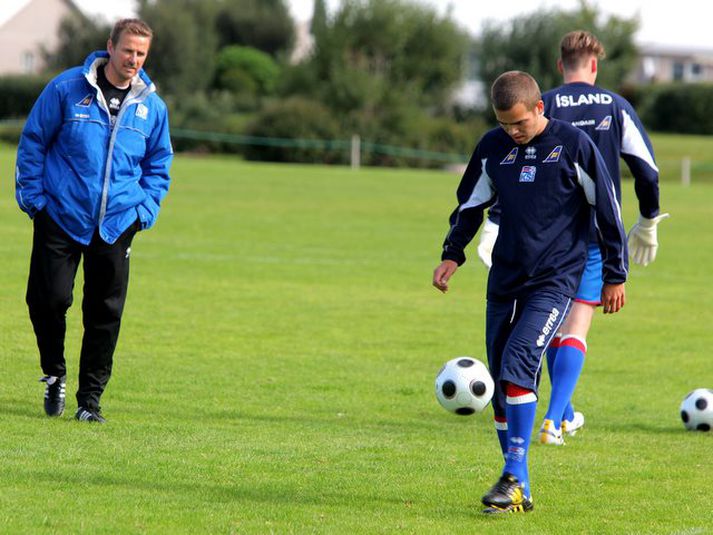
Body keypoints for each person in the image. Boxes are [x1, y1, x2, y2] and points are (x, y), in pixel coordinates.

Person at [432, 71, 627, 513]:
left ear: (539, 108)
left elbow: (608, 208)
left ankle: (513, 477)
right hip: (504, 279)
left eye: (519, 123)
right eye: (504, 125)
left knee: (520, 363)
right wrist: (452, 254)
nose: (512, 132)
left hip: (555, 280)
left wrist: (616, 273)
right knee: (503, 381)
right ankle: (518, 486)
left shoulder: (574, 145)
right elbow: (470, 205)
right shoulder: (492, 148)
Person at [477, 31, 665, 445]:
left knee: (545, 328)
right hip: (596, 237)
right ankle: (554, 417)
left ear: (560, 65)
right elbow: (646, 169)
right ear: (594, 65)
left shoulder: (550, 102)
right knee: (574, 327)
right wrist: (648, 220)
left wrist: (494, 220)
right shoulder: (616, 106)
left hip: (545, 239)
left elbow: (514, 171)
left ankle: (559, 413)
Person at [15, 18, 173, 423]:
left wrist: (144, 211)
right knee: (47, 300)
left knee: (104, 314)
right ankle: (54, 373)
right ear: (110, 47)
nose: (133, 60)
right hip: (61, 216)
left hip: (117, 222)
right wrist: (35, 201)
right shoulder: (67, 89)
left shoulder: (151, 106)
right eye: (128, 51)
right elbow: (33, 141)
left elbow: (159, 164)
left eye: (141, 54)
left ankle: (90, 402)